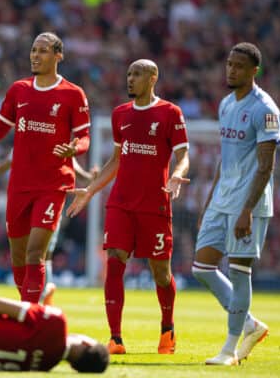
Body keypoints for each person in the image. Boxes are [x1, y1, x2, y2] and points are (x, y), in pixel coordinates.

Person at [0, 32, 91, 303]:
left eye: (42, 51)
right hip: (19, 184)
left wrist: (74, 148)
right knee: (17, 257)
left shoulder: (73, 94)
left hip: (53, 184)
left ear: (58, 55)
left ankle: (31, 316)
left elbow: (85, 137)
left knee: (35, 253)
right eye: (33, 50)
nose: (35, 55)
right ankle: (30, 311)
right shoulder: (19, 90)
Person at [66, 59, 190, 355]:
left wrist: (176, 173)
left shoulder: (170, 113)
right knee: (114, 261)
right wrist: (91, 191)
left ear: (152, 78)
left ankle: (167, 329)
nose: (130, 79)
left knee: (160, 272)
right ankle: (116, 338)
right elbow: (116, 160)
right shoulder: (120, 114)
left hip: (154, 205)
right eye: (129, 74)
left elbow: (184, 154)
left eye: (137, 74)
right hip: (121, 203)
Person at [191, 43, 280, 366]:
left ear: (254, 70)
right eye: (229, 64)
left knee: (239, 272)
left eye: (239, 66)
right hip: (221, 200)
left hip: (248, 205)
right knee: (201, 267)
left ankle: (229, 350)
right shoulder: (226, 104)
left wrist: (246, 209)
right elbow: (224, 158)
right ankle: (250, 325)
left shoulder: (265, 109)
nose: (231, 70)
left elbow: (266, 166)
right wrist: (209, 201)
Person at [0, 152, 98, 305]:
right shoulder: (25, 142)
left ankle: (41, 299)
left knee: (41, 253)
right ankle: (40, 296)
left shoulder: (56, 141)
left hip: (47, 205)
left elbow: (76, 170)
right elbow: (2, 166)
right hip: (24, 207)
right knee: (30, 254)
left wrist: (90, 178)